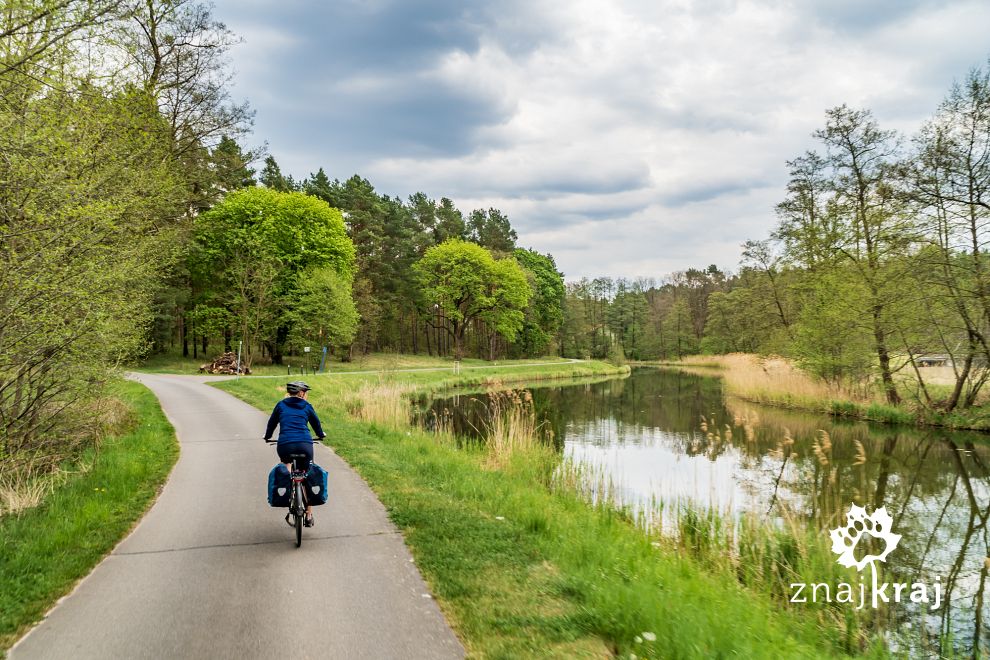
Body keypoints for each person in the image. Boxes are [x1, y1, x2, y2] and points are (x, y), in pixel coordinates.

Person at [264, 380, 326, 527]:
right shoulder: (307, 406)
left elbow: (271, 424)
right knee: (308, 474)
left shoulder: (280, 405)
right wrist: (320, 434)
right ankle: (309, 514)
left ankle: (288, 491)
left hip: (285, 445)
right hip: (305, 445)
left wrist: (267, 436)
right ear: (302, 393)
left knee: (287, 464)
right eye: (306, 393)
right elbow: (316, 425)